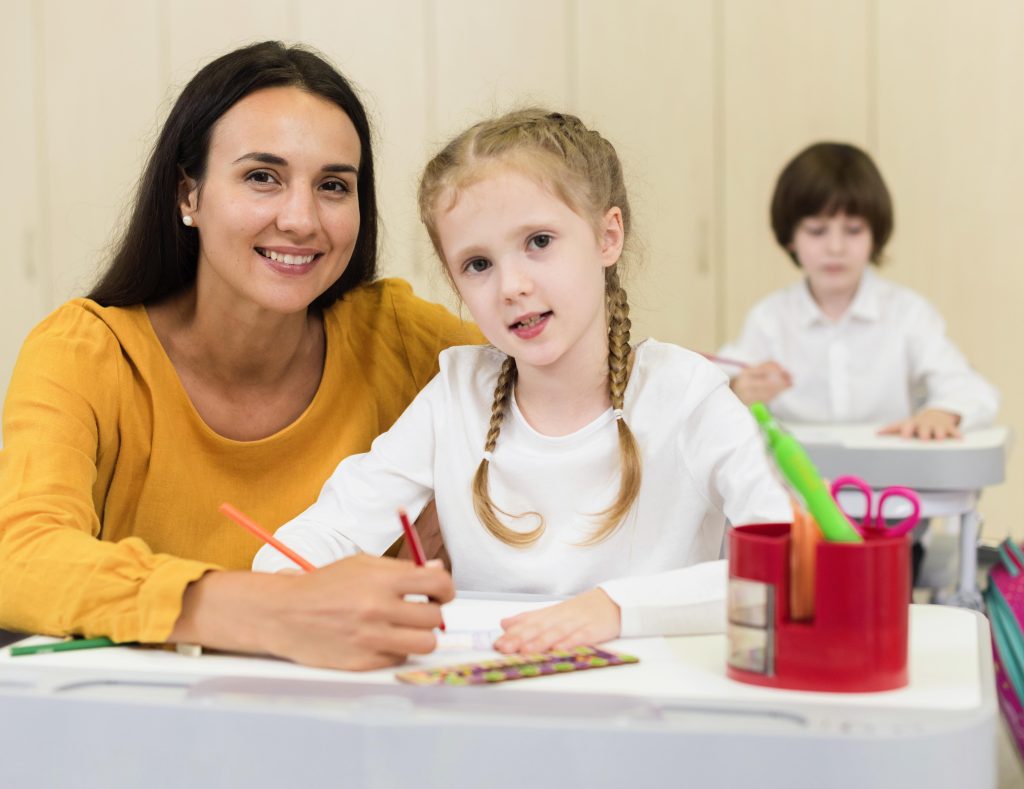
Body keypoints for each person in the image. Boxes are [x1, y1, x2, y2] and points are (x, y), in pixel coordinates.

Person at [0, 41, 485, 671]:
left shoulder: (401, 337)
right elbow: (21, 555)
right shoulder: (87, 352)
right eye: (263, 177)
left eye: (334, 186)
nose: (302, 218)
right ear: (188, 196)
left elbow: (574, 395)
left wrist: (479, 515)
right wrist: (274, 611)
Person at [254, 109, 790, 653]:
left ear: (608, 237)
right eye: (478, 265)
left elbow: (791, 563)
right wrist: (286, 587)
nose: (511, 286)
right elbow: (326, 531)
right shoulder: (455, 396)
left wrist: (614, 608)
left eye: (538, 241)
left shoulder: (688, 395)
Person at [719, 142, 999, 440]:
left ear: (875, 236)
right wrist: (737, 389)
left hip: (892, 478)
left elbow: (971, 389)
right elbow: (713, 387)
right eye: (817, 231)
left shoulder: (908, 313)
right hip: (793, 480)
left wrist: (942, 412)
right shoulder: (769, 318)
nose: (835, 248)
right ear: (790, 237)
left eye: (853, 230)